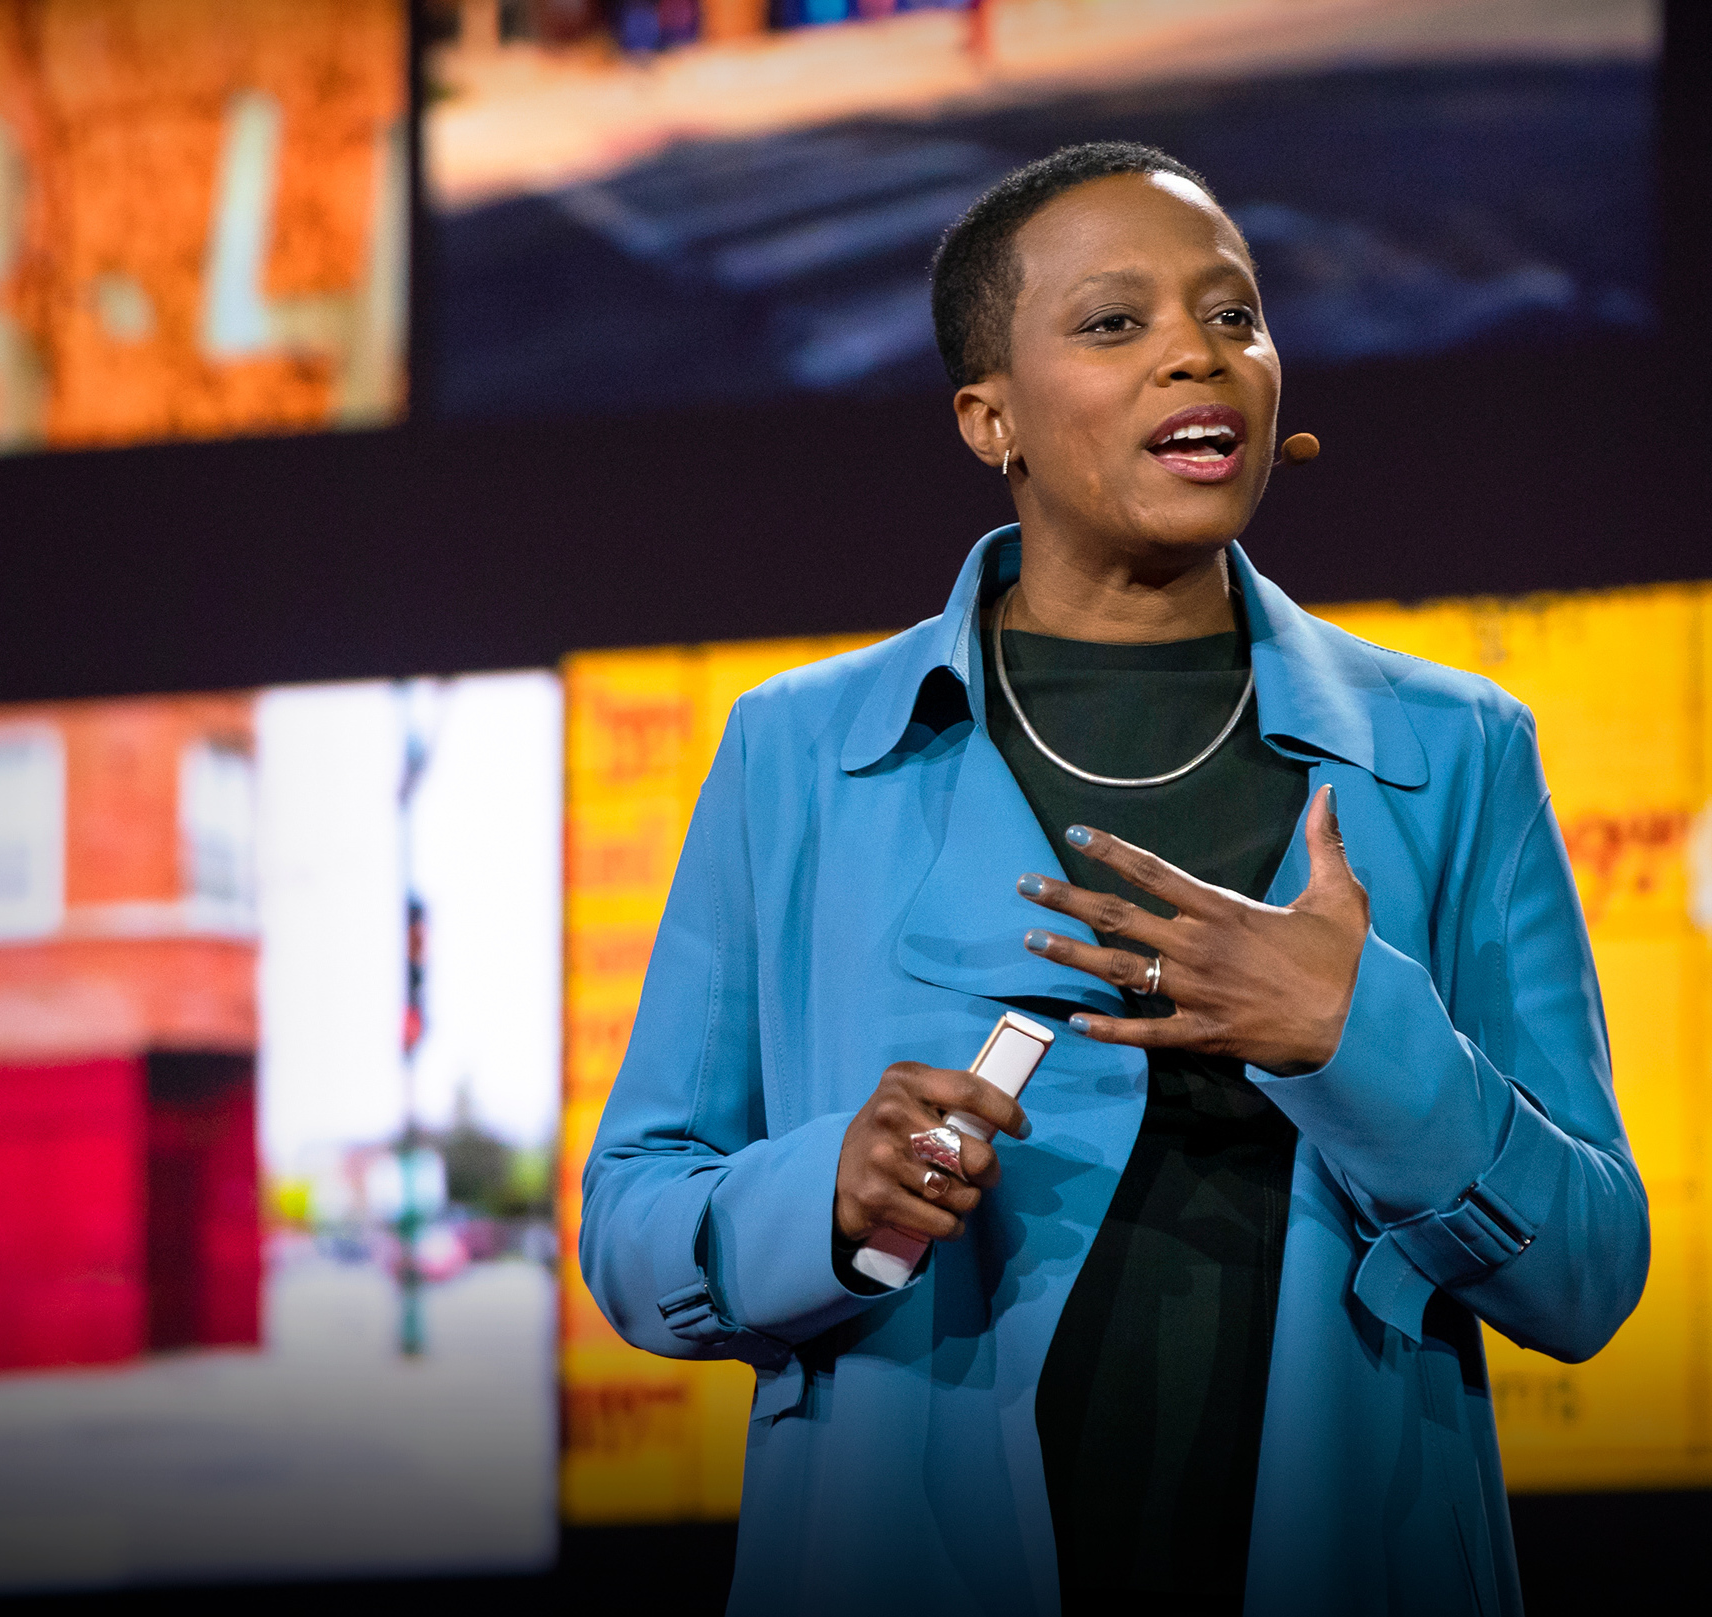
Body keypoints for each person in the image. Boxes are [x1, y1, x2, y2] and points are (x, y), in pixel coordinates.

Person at [579, 142, 1648, 1616]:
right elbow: (635, 1229)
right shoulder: (798, 752)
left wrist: (1361, 1044)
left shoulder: (1451, 750)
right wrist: (823, 1191)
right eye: (1111, 323)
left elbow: (1587, 1272)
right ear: (988, 417)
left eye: (1232, 314)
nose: (1193, 357)